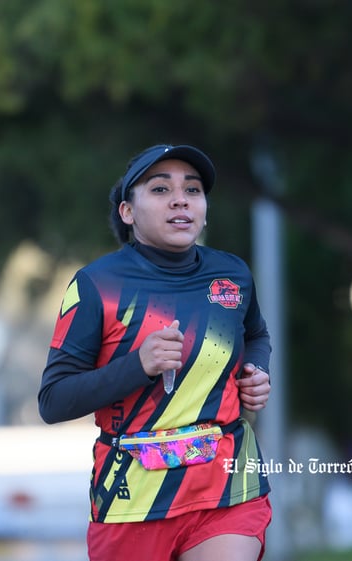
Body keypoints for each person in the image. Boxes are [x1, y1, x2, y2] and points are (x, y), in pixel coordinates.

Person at [38, 143, 274, 561]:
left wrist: (255, 370)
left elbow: (256, 334)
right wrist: (138, 365)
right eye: (161, 189)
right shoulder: (96, 285)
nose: (181, 198)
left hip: (225, 483)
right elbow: (54, 401)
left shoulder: (232, 274)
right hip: (133, 500)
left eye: (193, 190)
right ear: (128, 212)